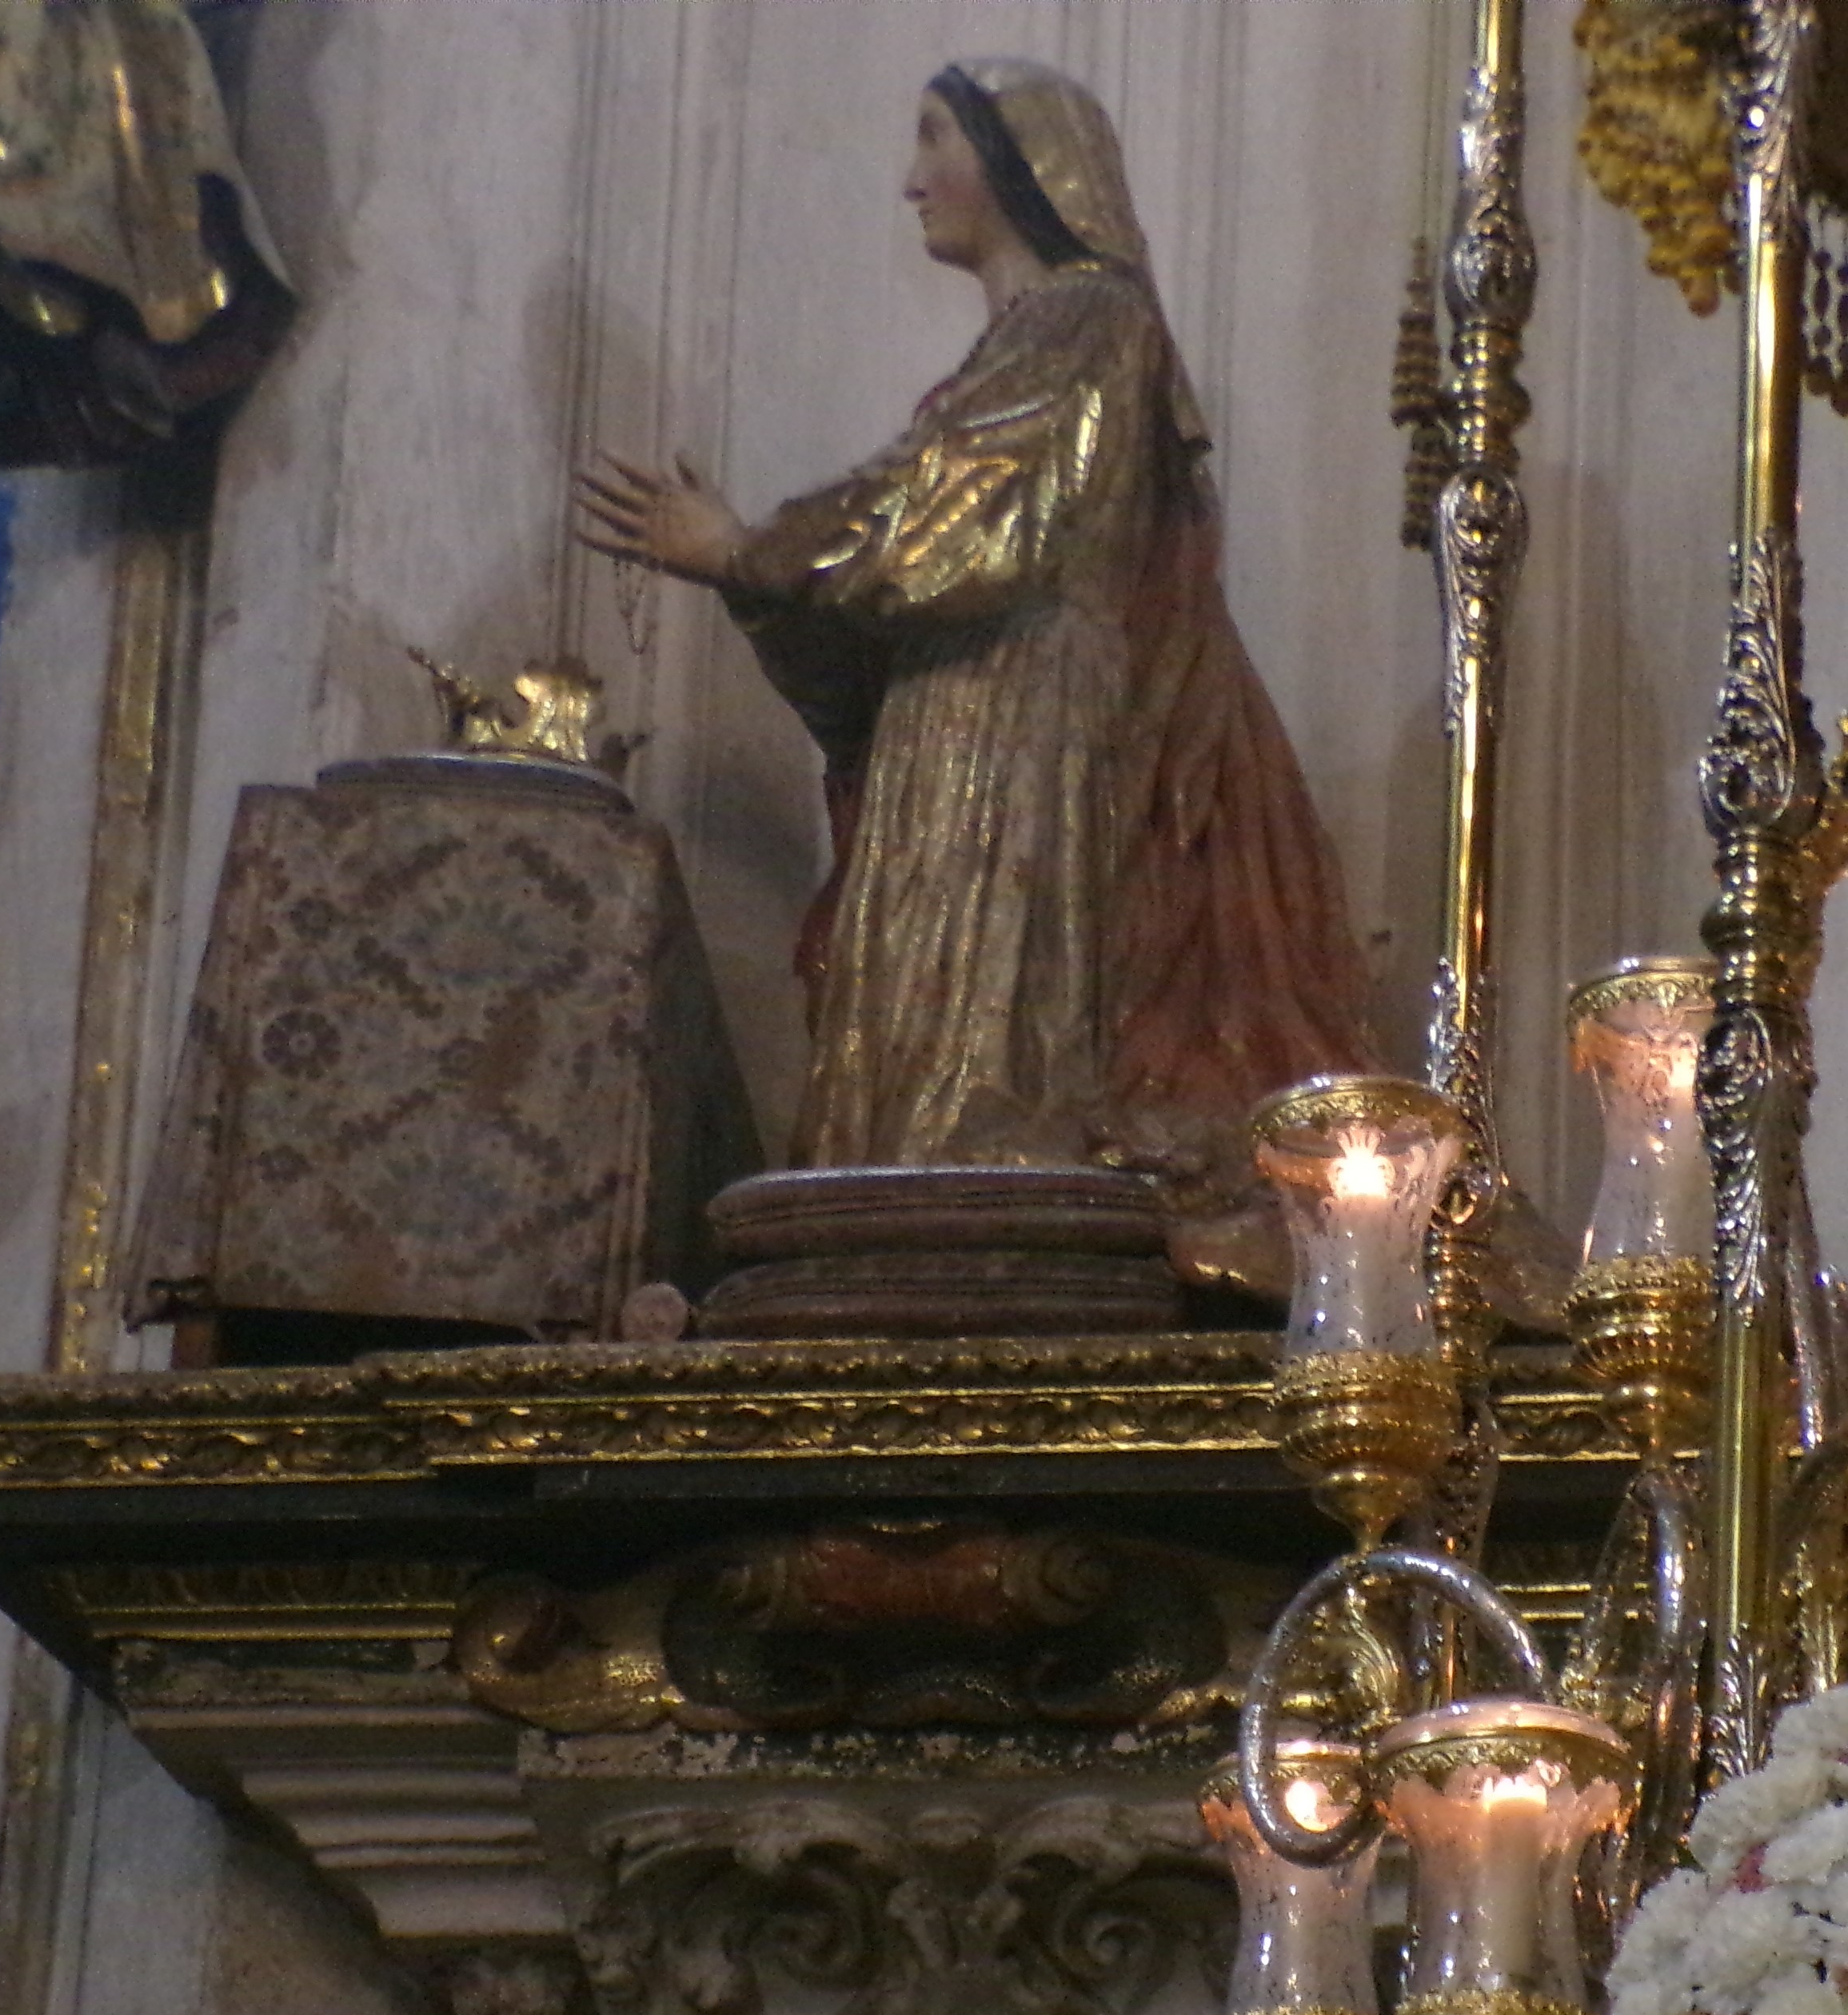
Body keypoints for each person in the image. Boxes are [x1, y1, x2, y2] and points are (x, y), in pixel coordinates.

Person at [577, 61, 1375, 1196]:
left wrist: (750, 550)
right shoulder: (1030, 340)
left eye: (935, 137)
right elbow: (923, 532)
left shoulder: (1095, 319)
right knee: (915, 1013)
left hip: (1026, 714)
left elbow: (963, 511)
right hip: (954, 712)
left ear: (1020, 161)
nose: (911, 179)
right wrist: (756, 577)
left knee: (993, 1033)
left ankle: (980, 1229)